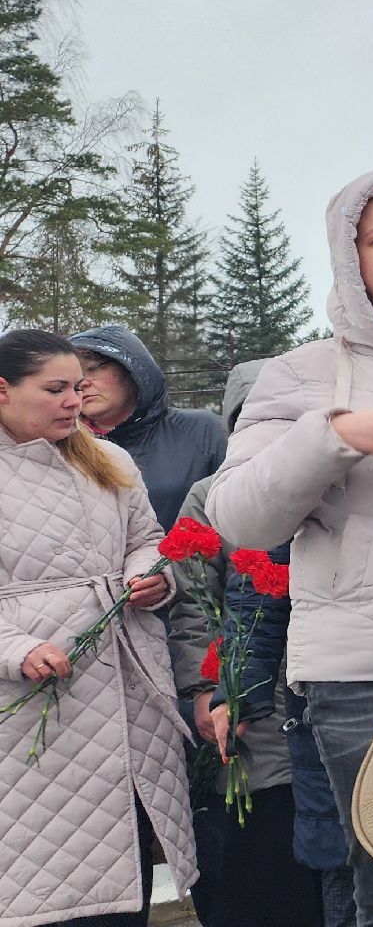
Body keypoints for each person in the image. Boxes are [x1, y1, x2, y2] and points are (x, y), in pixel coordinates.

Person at [205, 168, 373, 927]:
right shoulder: (302, 373)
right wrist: (333, 437)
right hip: (364, 672)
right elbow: (239, 519)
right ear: (350, 254)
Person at [1, 328, 201, 926]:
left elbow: (146, 540)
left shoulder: (108, 459)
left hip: (129, 683)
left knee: (127, 864)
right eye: (55, 389)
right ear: (3, 391)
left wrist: (149, 577)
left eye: (78, 386)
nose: (74, 401)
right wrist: (15, 648)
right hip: (32, 701)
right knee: (42, 872)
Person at [168, 359, 337, 927]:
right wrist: (204, 688)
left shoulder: (345, 486)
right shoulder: (212, 496)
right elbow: (193, 604)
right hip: (248, 712)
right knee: (264, 860)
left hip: (330, 692)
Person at [71, 324, 227, 525]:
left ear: (132, 369)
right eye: (74, 376)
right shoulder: (61, 443)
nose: (82, 383)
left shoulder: (201, 431)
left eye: (93, 368)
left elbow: (239, 509)